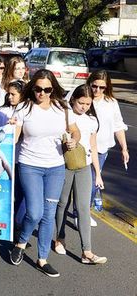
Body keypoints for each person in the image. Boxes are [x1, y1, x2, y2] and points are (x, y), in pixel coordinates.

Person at [9, 69, 81, 278]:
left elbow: (74, 130)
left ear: (53, 89)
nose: (42, 93)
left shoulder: (62, 108)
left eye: (47, 89)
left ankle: (42, 259)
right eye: (38, 89)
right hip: (30, 165)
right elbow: (14, 138)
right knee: (34, 212)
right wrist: (10, 127)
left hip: (56, 167)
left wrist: (74, 139)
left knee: (49, 214)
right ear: (33, 88)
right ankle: (21, 241)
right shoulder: (24, 108)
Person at [53, 84, 107, 265]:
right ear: (73, 99)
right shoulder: (64, 114)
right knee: (62, 204)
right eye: (81, 103)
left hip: (84, 166)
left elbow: (93, 146)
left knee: (83, 207)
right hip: (65, 164)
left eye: (88, 104)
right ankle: (59, 238)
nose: (84, 107)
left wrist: (97, 174)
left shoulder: (91, 120)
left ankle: (87, 252)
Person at [86, 70, 129, 227]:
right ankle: (79, 212)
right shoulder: (82, 97)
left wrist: (124, 148)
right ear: (90, 83)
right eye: (94, 86)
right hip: (82, 149)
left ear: (107, 87)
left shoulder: (111, 103)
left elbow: (118, 126)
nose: (97, 90)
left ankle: (83, 212)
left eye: (101, 87)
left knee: (92, 183)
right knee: (83, 183)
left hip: (101, 150)